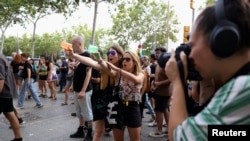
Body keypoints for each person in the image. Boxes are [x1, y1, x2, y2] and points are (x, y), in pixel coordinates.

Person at [165, 0, 250, 141]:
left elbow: (179, 137)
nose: (190, 55)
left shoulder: (242, 87)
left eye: (191, 45)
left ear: (221, 39)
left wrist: (177, 81)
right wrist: (204, 78)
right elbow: (214, 133)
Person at [65, 44, 125, 141]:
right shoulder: (105, 64)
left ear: (120, 55)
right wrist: (74, 55)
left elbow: (113, 73)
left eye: (113, 53)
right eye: (108, 53)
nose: (110, 55)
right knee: (98, 132)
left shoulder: (122, 67)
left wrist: (100, 60)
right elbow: (90, 62)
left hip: (116, 102)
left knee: (117, 133)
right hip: (102, 100)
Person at [106, 51, 144, 141]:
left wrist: (117, 69)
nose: (124, 62)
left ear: (134, 62)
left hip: (132, 107)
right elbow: (100, 66)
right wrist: (99, 60)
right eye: (123, 59)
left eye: (127, 59)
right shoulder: (118, 74)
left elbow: (136, 80)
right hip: (118, 107)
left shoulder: (140, 74)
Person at [69, 36, 93, 141]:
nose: (72, 46)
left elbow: (88, 74)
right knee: (79, 112)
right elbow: (78, 73)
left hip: (85, 90)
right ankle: (81, 129)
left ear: (79, 44)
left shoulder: (87, 55)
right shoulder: (77, 56)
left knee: (87, 112)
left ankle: (90, 132)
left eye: (73, 44)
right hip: (77, 88)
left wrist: (83, 90)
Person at [0, 53, 23, 141]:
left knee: (10, 114)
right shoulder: (2, 56)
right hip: (6, 92)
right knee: (10, 114)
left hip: (2, 94)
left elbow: (0, 79)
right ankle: (18, 138)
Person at [149, 47, 169, 138]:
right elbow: (159, 76)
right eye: (156, 52)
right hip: (159, 91)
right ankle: (169, 130)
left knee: (158, 111)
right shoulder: (159, 64)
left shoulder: (166, 64)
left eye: (158, 53)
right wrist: (153, 80)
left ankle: (159, 131)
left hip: (164, 92)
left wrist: (159, 83)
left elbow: (171, 78)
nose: (156, 54)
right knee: (165, 110)